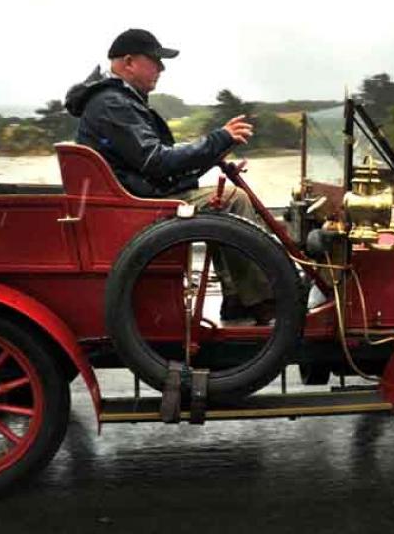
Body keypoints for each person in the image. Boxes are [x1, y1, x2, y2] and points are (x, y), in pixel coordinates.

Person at [64, 28, 273, 324]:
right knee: (232, 200)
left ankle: (239, 298)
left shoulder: (115, 100)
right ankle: (260, 300)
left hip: (134, 194)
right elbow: (156, 160)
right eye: (155, 60)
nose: (161, 68)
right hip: (138, 203)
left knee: (221, 200)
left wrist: (213, 151)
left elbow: (153, 160)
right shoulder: (113, 103)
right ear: (128, 62)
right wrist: (217, 139)